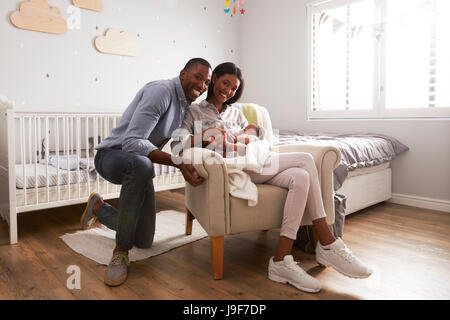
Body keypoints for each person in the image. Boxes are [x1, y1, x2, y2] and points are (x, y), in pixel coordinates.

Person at [172, 62, 373, 293]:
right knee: (305, 160)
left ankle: (281, 259)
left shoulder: (236, 113)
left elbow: (257, 138)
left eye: (234, 88)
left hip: (254, 161)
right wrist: (205, 136)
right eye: (225, 83)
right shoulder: (195, 111)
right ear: (214, 78)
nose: (228, 91)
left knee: (300, 177)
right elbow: (177, 147)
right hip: (230, 168)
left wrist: (247, 139)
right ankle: (328, 242)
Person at [79, 58, 212, 287]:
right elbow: (132, 142)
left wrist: (206, 144)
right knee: (142, 165)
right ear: (183, 74)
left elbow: (176, 146)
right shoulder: (161, 91)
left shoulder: (186, 107)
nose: (202, 85)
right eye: (198, 77)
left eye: (207, 82)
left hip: (140, 166)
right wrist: (179, 164)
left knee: (144, 239)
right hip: (112, 156)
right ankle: (120, 252)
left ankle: (99, 208)